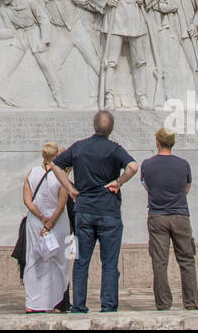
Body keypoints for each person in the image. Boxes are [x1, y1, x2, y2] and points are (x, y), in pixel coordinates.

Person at [49, 110, 137, 313]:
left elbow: (55, 165)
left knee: (81, 262)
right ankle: (108, 306)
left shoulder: (79, 147)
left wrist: (70, 187)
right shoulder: (115, 149)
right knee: (109, 263)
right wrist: (118, 182)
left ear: (94, 126)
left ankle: (79, 305)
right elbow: (133, 166)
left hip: (85, 210)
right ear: (111, 129)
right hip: (108, 210)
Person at [140, 127, 198, 311]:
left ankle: (163, 303)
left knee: (159, 262)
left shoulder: (147, 164)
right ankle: (191, 302)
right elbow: (187, 187)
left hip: (157, 215)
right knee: (187, 260)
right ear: (173, 143)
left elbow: (147, 186)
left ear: (157, 142)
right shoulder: (184, 164)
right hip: (180, 215)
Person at [22, 141, 71, 313]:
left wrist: (42, 217)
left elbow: (27, 200)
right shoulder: (61, 175)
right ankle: (57, 302)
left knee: (34, 260)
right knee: (59, 261)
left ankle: (32, 303)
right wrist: (50, 223)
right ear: (56, 155)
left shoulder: (32, 173)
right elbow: (61, 203)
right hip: (56, 222)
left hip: (36, 221)